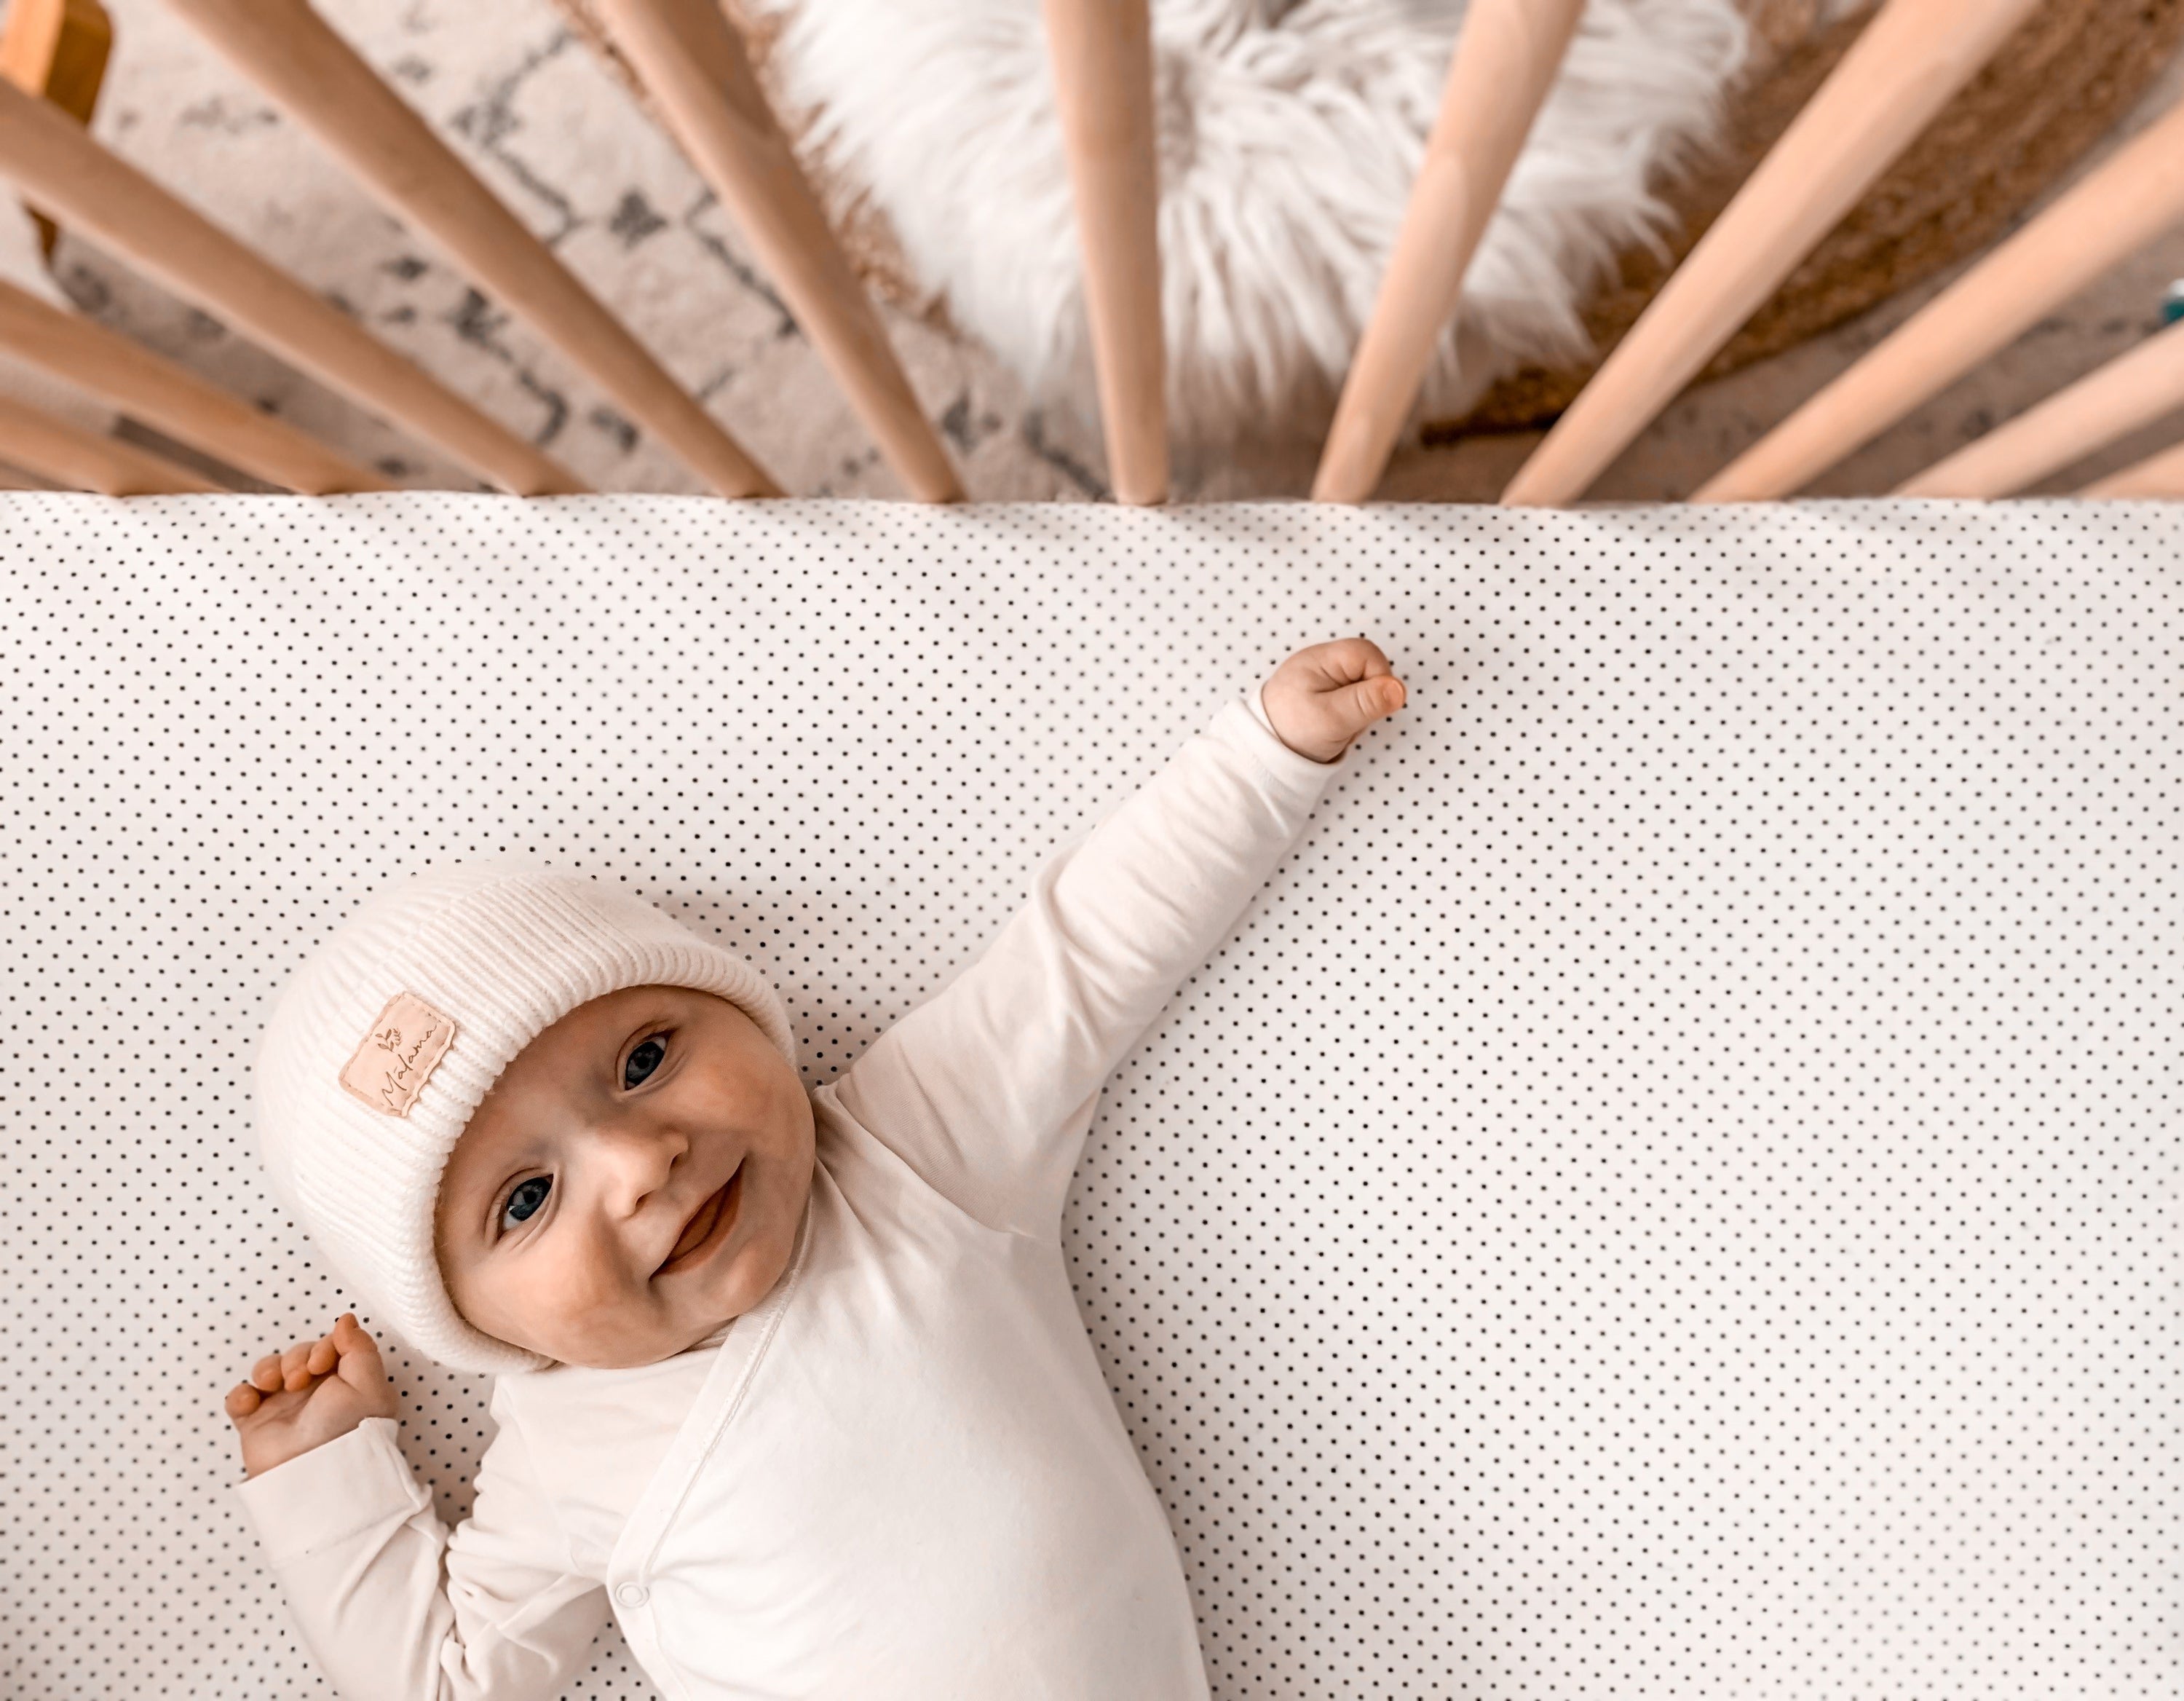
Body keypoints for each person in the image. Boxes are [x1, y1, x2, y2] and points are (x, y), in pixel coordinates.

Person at [226, 636, 1408, 1700]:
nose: (641, 1163)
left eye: (645, 1058)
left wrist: (1259, 757)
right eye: (526, 1202)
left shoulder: (905, 1153)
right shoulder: (565, 1458)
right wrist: (326, 1476)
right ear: (467, 1320)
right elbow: (447, 1679)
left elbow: (1085, 957)